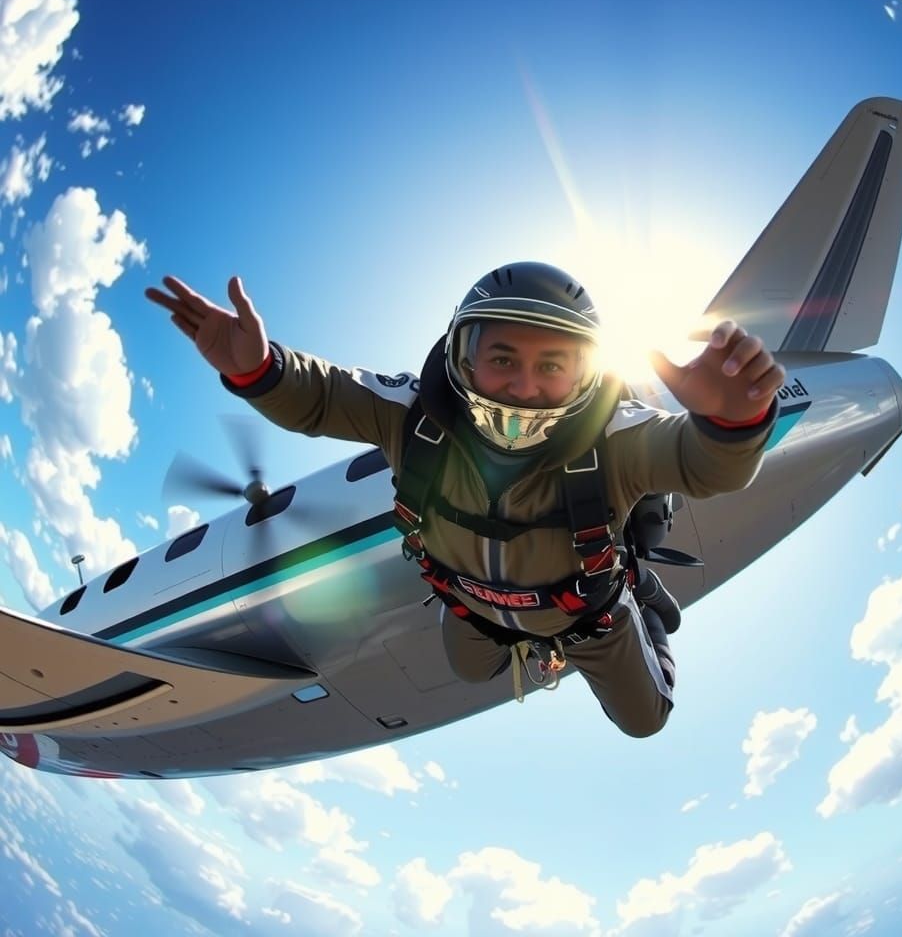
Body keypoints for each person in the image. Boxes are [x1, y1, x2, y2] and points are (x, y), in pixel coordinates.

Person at [146, 262, 784, 737]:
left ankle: (639, 599)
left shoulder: (614, 437)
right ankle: (527, 629)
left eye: (554, 365)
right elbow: (324, 396)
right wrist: (259, 369)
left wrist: (733, 425)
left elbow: (700, 467)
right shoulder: (414, 415)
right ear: (460, 356)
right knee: (472, 670)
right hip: (471, 607)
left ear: (587, 376)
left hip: (588, 615)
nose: (524, 387)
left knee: (647, 721)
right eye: (500, 357)